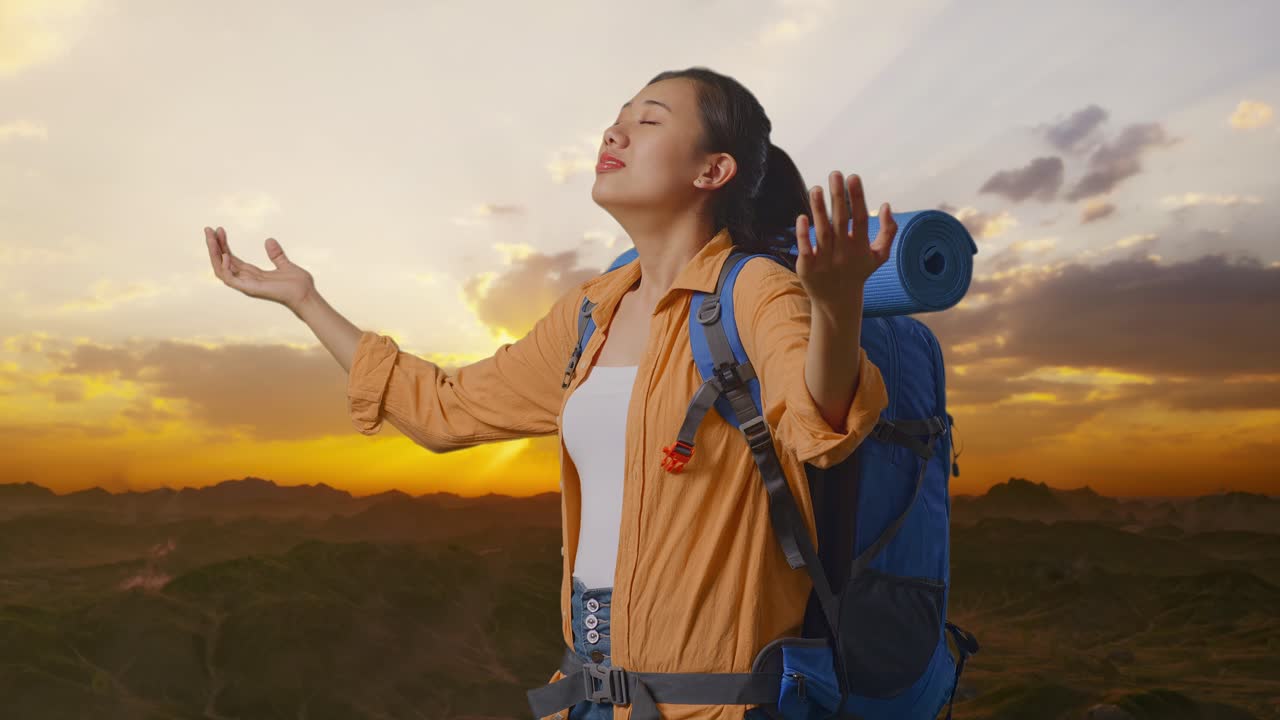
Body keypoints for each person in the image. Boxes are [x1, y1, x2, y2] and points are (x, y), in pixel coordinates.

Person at [204, 66, 896, 720]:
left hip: (714, 704)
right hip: (589, 692)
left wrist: (835, 308)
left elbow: (819, 426)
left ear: (712, 171)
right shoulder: (591, 313)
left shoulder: (754, 291)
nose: (614, 132)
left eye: (649, 121)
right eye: (618, 118)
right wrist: (307, 302)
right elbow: (445, 409)